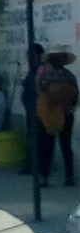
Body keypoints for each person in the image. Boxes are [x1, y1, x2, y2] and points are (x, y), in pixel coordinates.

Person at [36, 46, 78, 187]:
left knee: (47, 145)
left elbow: (41, 92)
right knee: (66, 145)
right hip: (67, 113)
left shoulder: (47, 77)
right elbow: (75, 96)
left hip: (50, 113)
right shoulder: (70, 76)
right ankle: (69, 176)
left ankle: (44, 177)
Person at [19, 43, 45, 175]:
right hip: (30, 109)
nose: (28, 58)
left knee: (38, 139)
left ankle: (39, 166)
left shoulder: (42, 70)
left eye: (31, 55)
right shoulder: (33, 70)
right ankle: (33, 164)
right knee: (32, 137)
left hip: (38, 110)